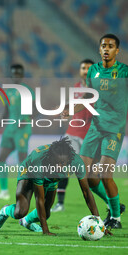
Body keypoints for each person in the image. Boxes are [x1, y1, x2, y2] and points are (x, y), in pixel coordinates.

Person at [62, 34, 127, 229]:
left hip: (113, 129)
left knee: (106, 175)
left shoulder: (124, 72)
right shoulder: (94, 71)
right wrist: (70, 109)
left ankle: (115, 218)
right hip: (95, 127)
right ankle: (112, 205)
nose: (106, 49)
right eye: (103, 46)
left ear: (117, 51)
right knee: (86, 176)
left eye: (111, 46)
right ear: (99, 49)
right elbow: (89, 98)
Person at [0, 137, 110, 235]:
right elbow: (39, 198)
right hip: (29, 173)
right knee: (20, 212)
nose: (59, 167)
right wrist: (45, 230)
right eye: (56, 163)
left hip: (52, 179)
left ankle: (26, 222)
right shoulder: (39, 161)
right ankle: (6, 210)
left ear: (69, 160)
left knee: (46, 214)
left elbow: (86, 193)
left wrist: (100, 224)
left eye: (62, 163)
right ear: (50, 158)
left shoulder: (77, 163)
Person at [51, 59, 94, 212]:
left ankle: (112, 207)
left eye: (89, 68)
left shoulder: (98, 87)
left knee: (91, 176)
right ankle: (60, 203)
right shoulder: (77, 86)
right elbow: (74, 103)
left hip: (90, 135)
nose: (86, 70)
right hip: (72, 133)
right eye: (83, 68)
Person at [0, 64, 35, 200]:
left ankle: (25, 191)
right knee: (1, 158)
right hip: (10, 128)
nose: (16, 76)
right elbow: (6, 112)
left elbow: (35, 110)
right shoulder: (8, 92)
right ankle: (4, 192)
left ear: (22, 75)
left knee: (22, 161)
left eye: (18, 73)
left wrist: (25, 120)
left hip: (22, 129)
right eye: (14, 73)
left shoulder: (27, 91)